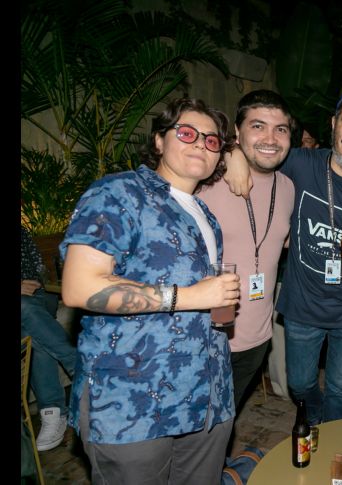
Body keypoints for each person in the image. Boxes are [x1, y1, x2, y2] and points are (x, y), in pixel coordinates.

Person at [59, 97, 241, 484]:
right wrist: (189, 296)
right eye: (187, 133)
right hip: (132, 404)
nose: (200, 144)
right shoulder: (118, 194)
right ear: (159, 140)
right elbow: (78, 287)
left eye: (212, 141)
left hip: (206, 398)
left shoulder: (203, 213)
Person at [223, 87, 342, 425]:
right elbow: (259, 148)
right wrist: (234, 156)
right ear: (333, 124)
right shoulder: (299, 163)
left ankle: (331, 442)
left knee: (341, 389)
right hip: (302, 306)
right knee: (300, 384)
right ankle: (314, 421)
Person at [198, 90, 295, 414]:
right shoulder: (206, 179)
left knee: (225, 421)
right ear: (237, 132)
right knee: (196, 433)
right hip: (206, 339)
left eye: (280, 129)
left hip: (257, 337)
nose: (271, 138)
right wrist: (227, 153)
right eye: (258, 126)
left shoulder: (287, 188)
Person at [21, 225, 78, 451]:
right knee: (29, 329)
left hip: (38, 296)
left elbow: (36, 272)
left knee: (25, 310)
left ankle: (52, 411)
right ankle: (79, 364)